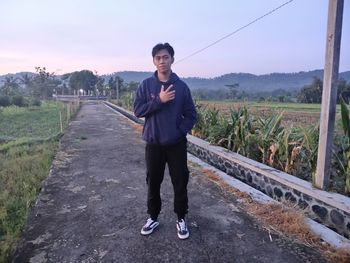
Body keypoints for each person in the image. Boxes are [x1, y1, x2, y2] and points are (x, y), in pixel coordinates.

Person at [133, 43, 197, 240]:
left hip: (176, 144)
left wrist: (180, 131)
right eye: (158, 57)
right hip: (154, 143)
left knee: (180, 180)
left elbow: (191, 115)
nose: (162, 61)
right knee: (153, 181)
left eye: (166, 57)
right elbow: (138, 111)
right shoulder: (146, 85)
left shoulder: (181, 87)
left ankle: (181, 218)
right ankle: (153, 217)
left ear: (172, 60)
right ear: (154, 61)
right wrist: (159, 100)